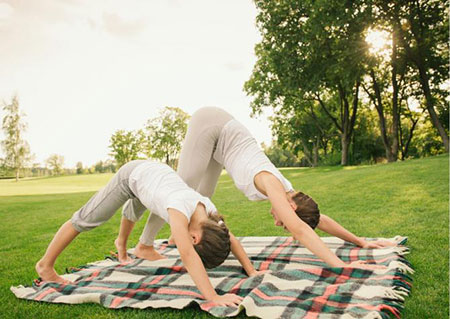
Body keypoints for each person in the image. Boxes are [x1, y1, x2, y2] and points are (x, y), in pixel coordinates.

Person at [136, 107, 393, 271]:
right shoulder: (273, 185)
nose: (279, 224)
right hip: (213, 125)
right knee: (180, 190)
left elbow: (317, 220)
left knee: (201, 199)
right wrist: (340, 265)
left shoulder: (289, 191)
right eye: (284, 221)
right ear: (291, 207)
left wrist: (361, 242)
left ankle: (175, 236)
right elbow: (300, 229)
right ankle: (144, 246)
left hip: (221, 146)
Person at [35, 160, 243, 307]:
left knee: (135, 210)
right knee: (87, 218)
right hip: (132, 175)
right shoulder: (180, 209)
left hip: (153, 177)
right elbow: (188, 255)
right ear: (194, 238)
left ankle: (122, 246)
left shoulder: (209, 212)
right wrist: (213, 296)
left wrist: (251, 270)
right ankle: (45, 265)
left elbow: (229, 237)